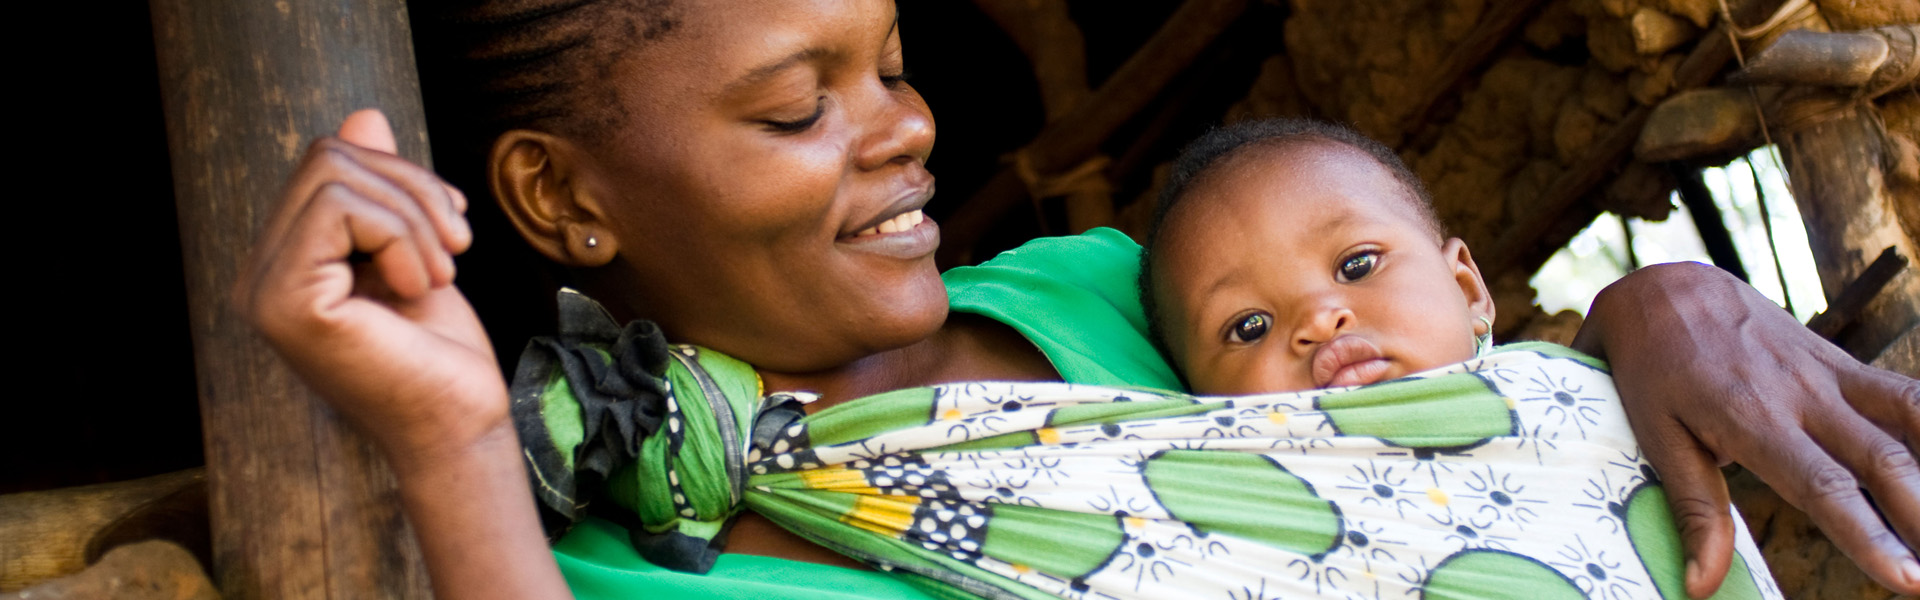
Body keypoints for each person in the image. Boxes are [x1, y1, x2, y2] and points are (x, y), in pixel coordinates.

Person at [231, 1, 1920, 599]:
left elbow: (1463, 401)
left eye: (888, 63)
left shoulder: (1131, 284)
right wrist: (459, 445)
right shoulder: (615, 561)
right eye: (798, 104)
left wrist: (1664, 311)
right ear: (562, 201)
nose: (909, 127)